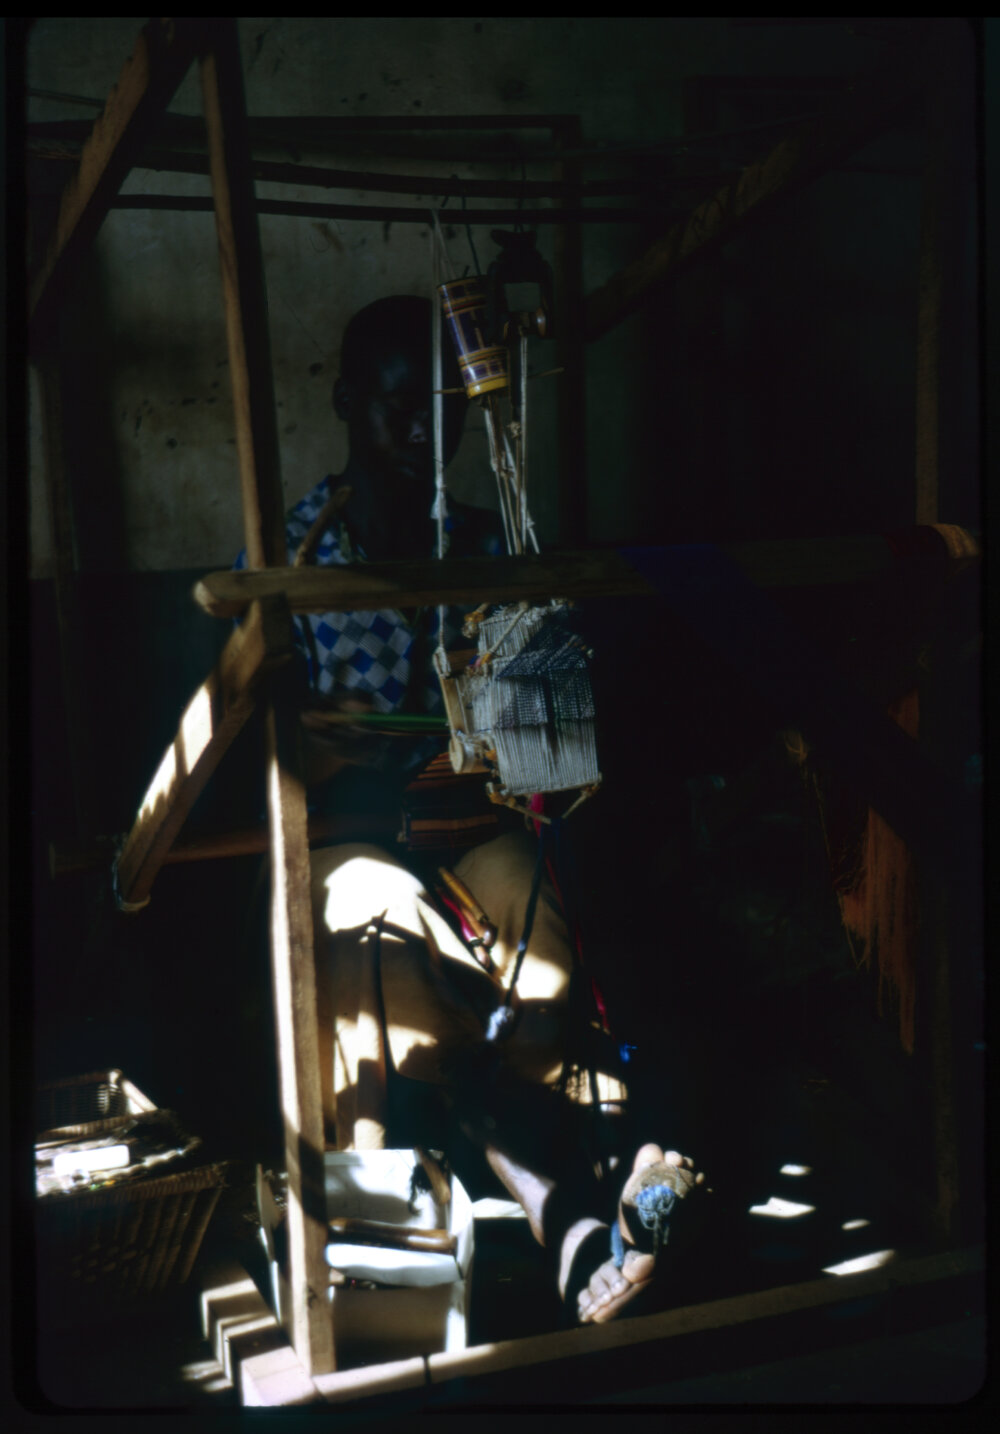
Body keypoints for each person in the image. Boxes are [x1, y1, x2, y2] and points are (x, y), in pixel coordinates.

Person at [252, 294, 706, 1325]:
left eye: (444, 407)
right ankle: (574, 1213)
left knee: (539, 903)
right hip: (351, 840)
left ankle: (594, 1173)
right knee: (371, 923)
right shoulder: (288, 559)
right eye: (399, 406)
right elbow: (262, 746)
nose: (426, 429)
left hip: (466, 833)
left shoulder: (483, 544)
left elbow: (524, 726)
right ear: (345, 404)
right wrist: (324, 746)